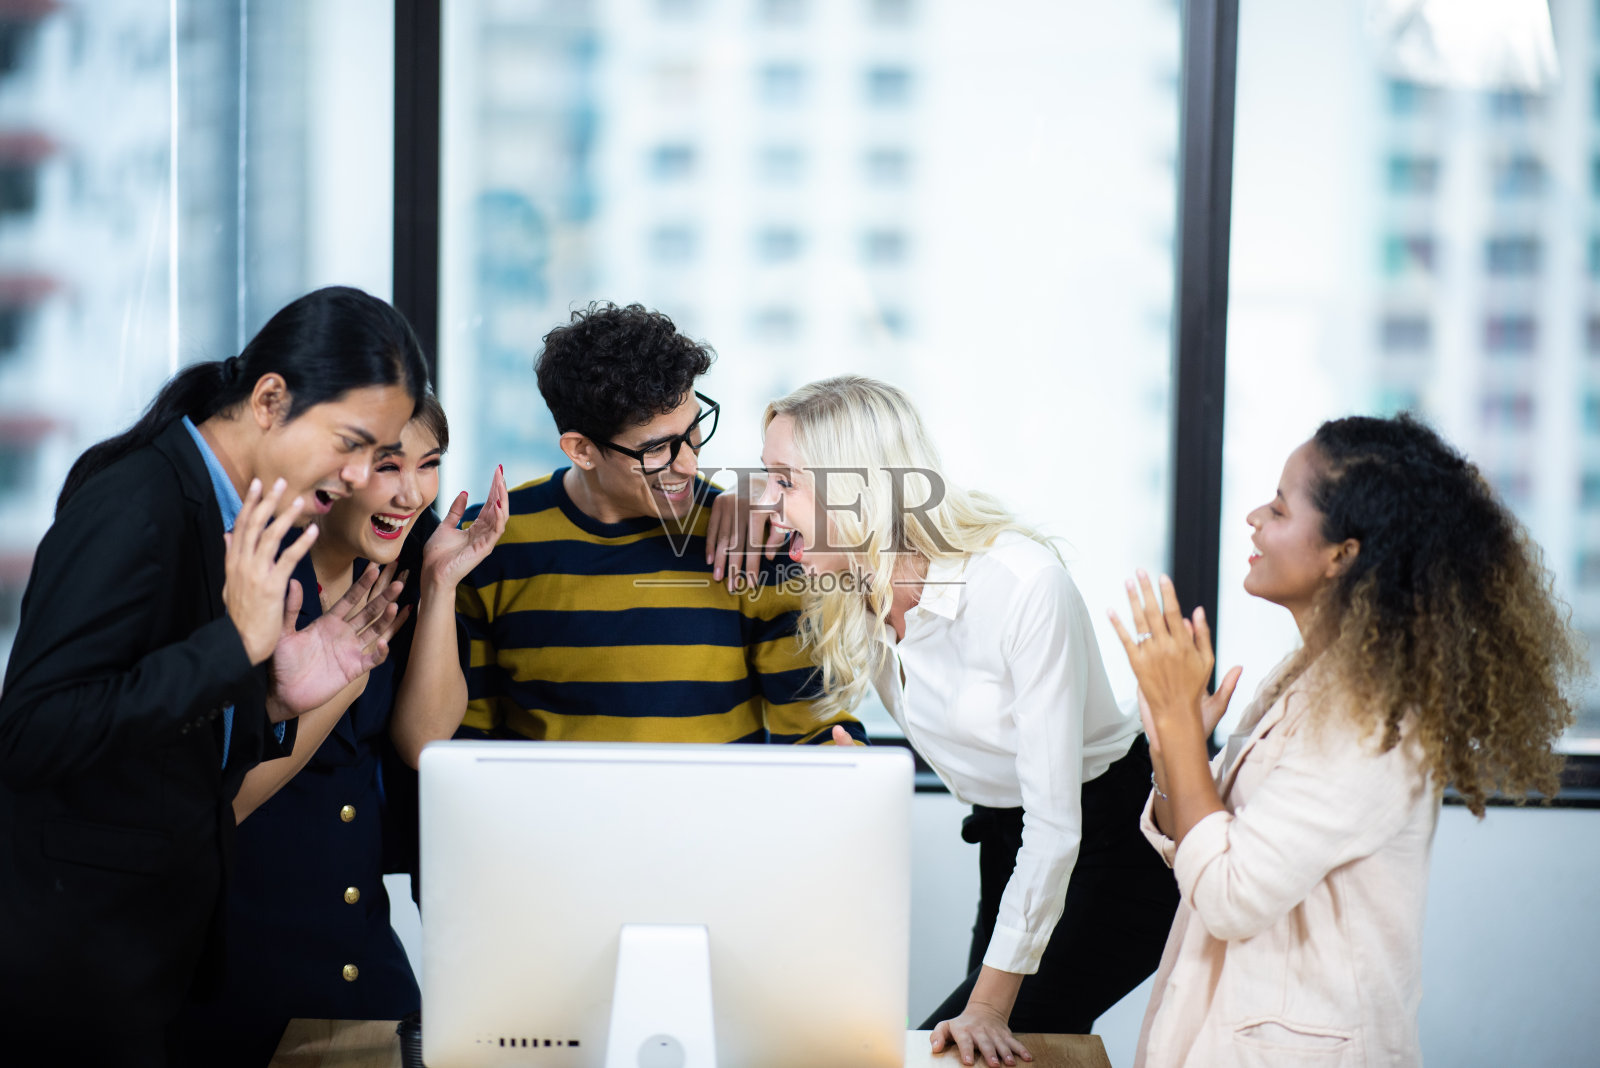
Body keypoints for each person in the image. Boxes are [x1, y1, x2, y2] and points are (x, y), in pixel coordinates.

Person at [0, 285, 427, 1063]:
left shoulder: (234, 514)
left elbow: (159, 735)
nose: (364, 475)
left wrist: (270, 696)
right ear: (270, 400)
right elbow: (33, 730)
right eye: (353, 442)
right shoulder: (141, 501)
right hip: (79, 978)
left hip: (155, 967)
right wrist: (232, 648)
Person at [1110, 414, 1583, 1068]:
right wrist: (1171, 747)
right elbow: (1194, 841)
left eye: (1278, 508)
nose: (1253, 517)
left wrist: (1186, 735)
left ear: (1342, 554)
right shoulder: (1308, 677)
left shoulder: (1376, 723)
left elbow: (1227, 892)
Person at [745, 375, 1179, 1068]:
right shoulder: (849, 585)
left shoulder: (1018, 586)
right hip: (1009, 842)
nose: (766, 504)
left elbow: (1056, 823)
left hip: (1113, 844)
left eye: (782, 481)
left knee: (959, 1044)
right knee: (979, 1051)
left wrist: (987, 1003)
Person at [168, 395, 508, 1065]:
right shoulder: (252, 579)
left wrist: (440, 587)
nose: (411, 491)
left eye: (429, 464)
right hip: (234, 976)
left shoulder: (398, 580)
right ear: (336, 470)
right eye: (388, 465)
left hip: (359, 966)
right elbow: (213, 805)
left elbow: (424, 743)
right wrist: (340, 679)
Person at [456, 302, 864, 746]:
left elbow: (815, 722)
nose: (689, 464)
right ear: (582, 450)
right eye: (658, 449)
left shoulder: (750, 537)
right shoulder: (491, 542)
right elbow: (469, 743)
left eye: (693, 432)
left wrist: (845, 762)